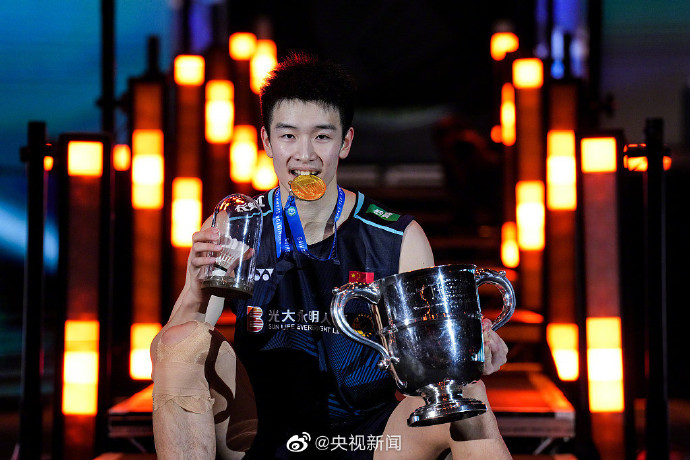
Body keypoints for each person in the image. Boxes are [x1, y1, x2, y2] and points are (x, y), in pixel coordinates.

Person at [151, 53, 511, 459]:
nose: (304, 154)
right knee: (180, 342)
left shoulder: (397, 238)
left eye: (321, 137)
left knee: (469, 397)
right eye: (288, 136)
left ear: (346, 142)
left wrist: (470, 354)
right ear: (267, 142)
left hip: (369, 440)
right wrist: (194, 289)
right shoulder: (236, 224)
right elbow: (167, 358)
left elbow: (431, 364)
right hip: (257, 434)